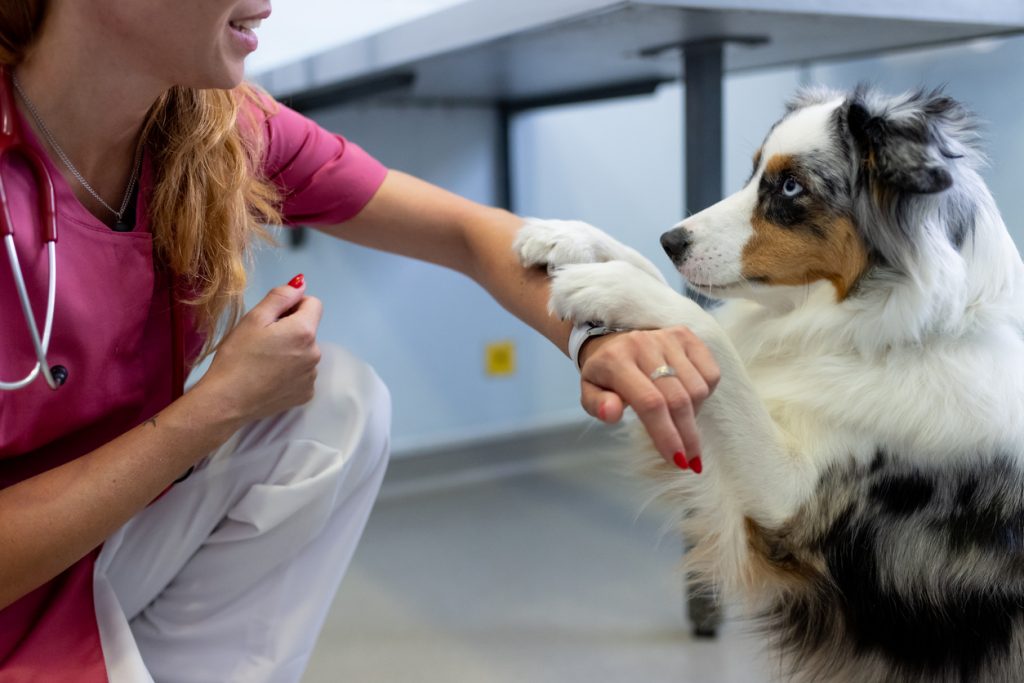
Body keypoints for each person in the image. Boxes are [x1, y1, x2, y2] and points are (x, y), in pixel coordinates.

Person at [0, 1, 721, 681]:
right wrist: (214, 408)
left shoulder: (214, 129)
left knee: (336, 403)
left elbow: (468, 233)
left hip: (106, 552)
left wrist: (594, 331)